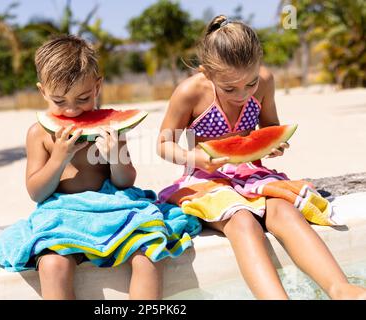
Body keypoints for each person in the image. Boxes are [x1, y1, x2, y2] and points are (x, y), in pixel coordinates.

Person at [156, 15, 366, 300]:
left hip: (252, 175)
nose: (242, 95)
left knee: (285, 211)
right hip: (205, 178)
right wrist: (193, 156)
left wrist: (275, 145)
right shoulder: (190, 92)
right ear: (207, 72)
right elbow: (163, 144)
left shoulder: (266, 81)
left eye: (250, 84)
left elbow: (270, 128)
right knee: (241, 220)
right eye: (230, 88)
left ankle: (341, 289)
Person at [0, 35, 201, 300]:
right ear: (42, 91)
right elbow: (36, 192)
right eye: (59, 101)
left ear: (97, 86)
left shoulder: (112, 128)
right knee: (53, 264)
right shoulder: (39, 134)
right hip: (62, 213)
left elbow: (126, 181)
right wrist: (59, 158)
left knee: (148, 253)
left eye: (82, 99)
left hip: (114, 206)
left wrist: (115, 156)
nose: (71, 111)